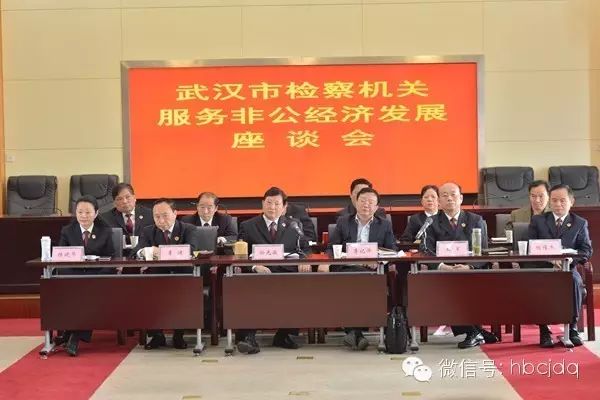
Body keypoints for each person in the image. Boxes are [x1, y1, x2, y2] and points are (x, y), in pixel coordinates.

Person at [235, 187, 311, 355]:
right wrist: (254, 267)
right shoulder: (248, 225)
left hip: (286, 274)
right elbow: (240, 254)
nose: (272, 207)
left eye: (277, 204)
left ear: (284, 207)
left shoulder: (294, 225)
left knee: (299, 288)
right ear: (262, 204)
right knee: (248, 290)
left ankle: (284, 335)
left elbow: (305, 249)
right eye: (269, 203)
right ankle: (247, 337)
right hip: (258, 274)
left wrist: (303, 261)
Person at [424, 182, 498, 349]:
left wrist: (469, 267)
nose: (449, 198)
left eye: (453, 194)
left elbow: (483, 251)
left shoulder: (475, 220)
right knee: (447, 287)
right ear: (439, 201)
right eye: (444, 195)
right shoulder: (431, 222)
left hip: (470, 271)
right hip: (443, 273)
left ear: (461, 198)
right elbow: (426, 250)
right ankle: (474, 331)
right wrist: (442, 266)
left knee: (466, 286)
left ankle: (474, 331)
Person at [322, 187, 396, 350]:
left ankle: (354, 333)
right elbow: (331, 247)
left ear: (376, 207)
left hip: (372, 271)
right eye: (363, 201)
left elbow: (392, 250)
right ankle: (356, 332)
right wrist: (326, 262)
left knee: (361, 286)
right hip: (346, 268)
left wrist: (378, 260)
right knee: (351, 284)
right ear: (356, 202)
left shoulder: (384, 225)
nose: (366, 205)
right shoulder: (343, 222)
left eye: (370, 202)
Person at [528, 184, 592, 348]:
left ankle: (572, 328)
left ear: (571, 201)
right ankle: (544, 330)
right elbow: (530, 246)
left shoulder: (580, 223)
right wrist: (551, 259)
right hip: (544, 267)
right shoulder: (538, 220)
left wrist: (569, 260)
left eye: (562, 200)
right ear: (550, 202)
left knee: (575, 281)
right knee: (538, 283)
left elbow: (586, 250)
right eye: (554, 200)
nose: (558, 204)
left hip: (568, 268)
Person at [135, 198, 200, 350]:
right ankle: (157, 335)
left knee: (180, 293)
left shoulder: (188, 229)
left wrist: (162, 252)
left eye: (165, 215)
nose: (161, 220)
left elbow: (191, 250)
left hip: (182, 277)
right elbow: (136, 252)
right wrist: (147, 251)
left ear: (175, 213)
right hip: (157, 277)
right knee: (147, 292)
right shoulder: (148, 231)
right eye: (157, 216)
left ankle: (179, 335)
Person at [55, 195, 115, 356]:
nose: (83, 216)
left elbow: (111, 258)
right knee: (71, 291)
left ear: (96, 213)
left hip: (97, 278)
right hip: (73, 277)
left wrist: (96, 277)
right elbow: (61, 257)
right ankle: (72, 333)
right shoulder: (68, 231)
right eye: (80, 212)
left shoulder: (105, 231)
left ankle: (74, 335)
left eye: (88, 212)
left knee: (89, 293)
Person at [99, 182, 153, 260]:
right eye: (119, 199)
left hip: (143, 259)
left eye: (127, 197)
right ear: (114, 203)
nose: (124, 201)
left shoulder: (150, 215)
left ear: (134, 198)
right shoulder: (105, 218)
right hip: (117, 259)